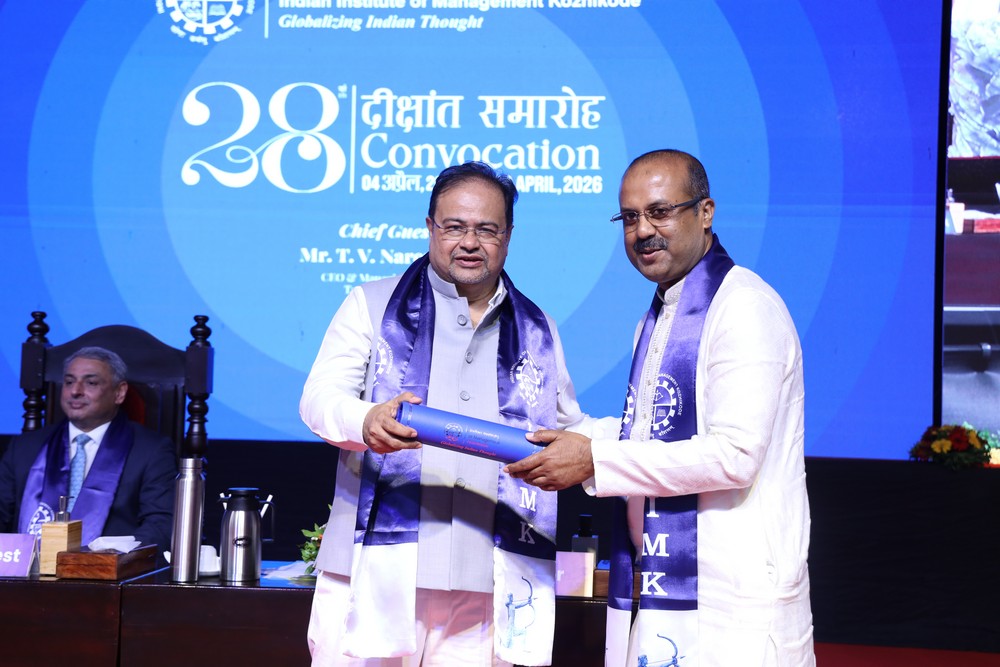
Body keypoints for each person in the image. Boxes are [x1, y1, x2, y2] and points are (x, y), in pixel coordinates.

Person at [506, 150, 816, 666]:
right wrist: (560, 423)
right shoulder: (660, 314)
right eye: (630, 218)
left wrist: (593, 459)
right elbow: (651, 433)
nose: (643, 231)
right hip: (667, 586)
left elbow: (734, 454)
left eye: (660, 212)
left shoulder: (743, 307)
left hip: (735, 600)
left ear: (705, 212)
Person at [299, 161, 589, 667]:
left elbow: (564, 428)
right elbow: (319, 400)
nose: (469, 242)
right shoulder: (371, 304)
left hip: (486, 582)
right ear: (430, 227)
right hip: (368, 572)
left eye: (486, 230)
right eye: (454, 226)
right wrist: (367, 420)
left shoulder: (538, 329)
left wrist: (612, 449)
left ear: (508, 236)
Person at [0, 346, 177, 554]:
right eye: (69, 382)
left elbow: (161, 526)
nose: (75, 391)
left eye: (90, 383)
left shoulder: (151, 451)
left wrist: (111, 559)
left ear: (119, 393)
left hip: (109, 570)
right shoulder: (24, 447)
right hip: (25, 570)